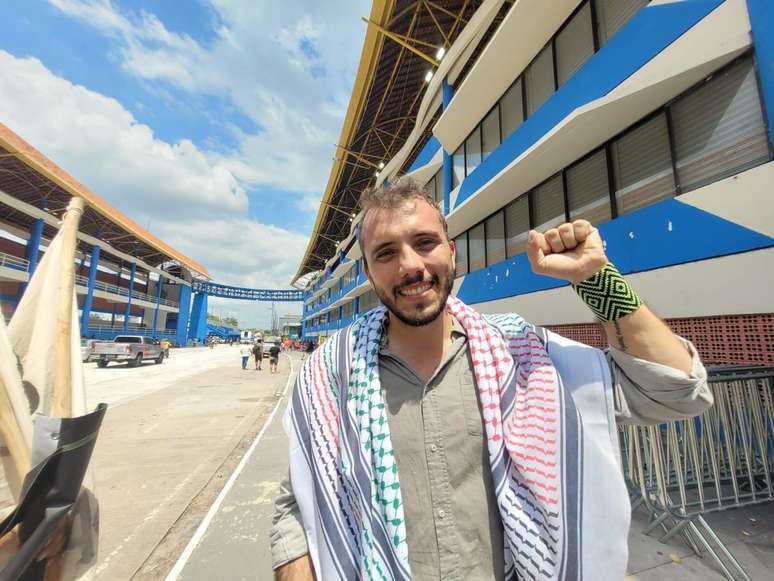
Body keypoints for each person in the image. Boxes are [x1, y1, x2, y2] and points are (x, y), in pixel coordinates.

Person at [270, 178, 713, 581]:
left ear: (451, 251)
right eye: (385, 252)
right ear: (368, 271)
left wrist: (595, 278)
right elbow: (300, 501)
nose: (409, 265)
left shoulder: (524, 357)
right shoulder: (331, 374)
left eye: (424, 242)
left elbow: (676, 391)